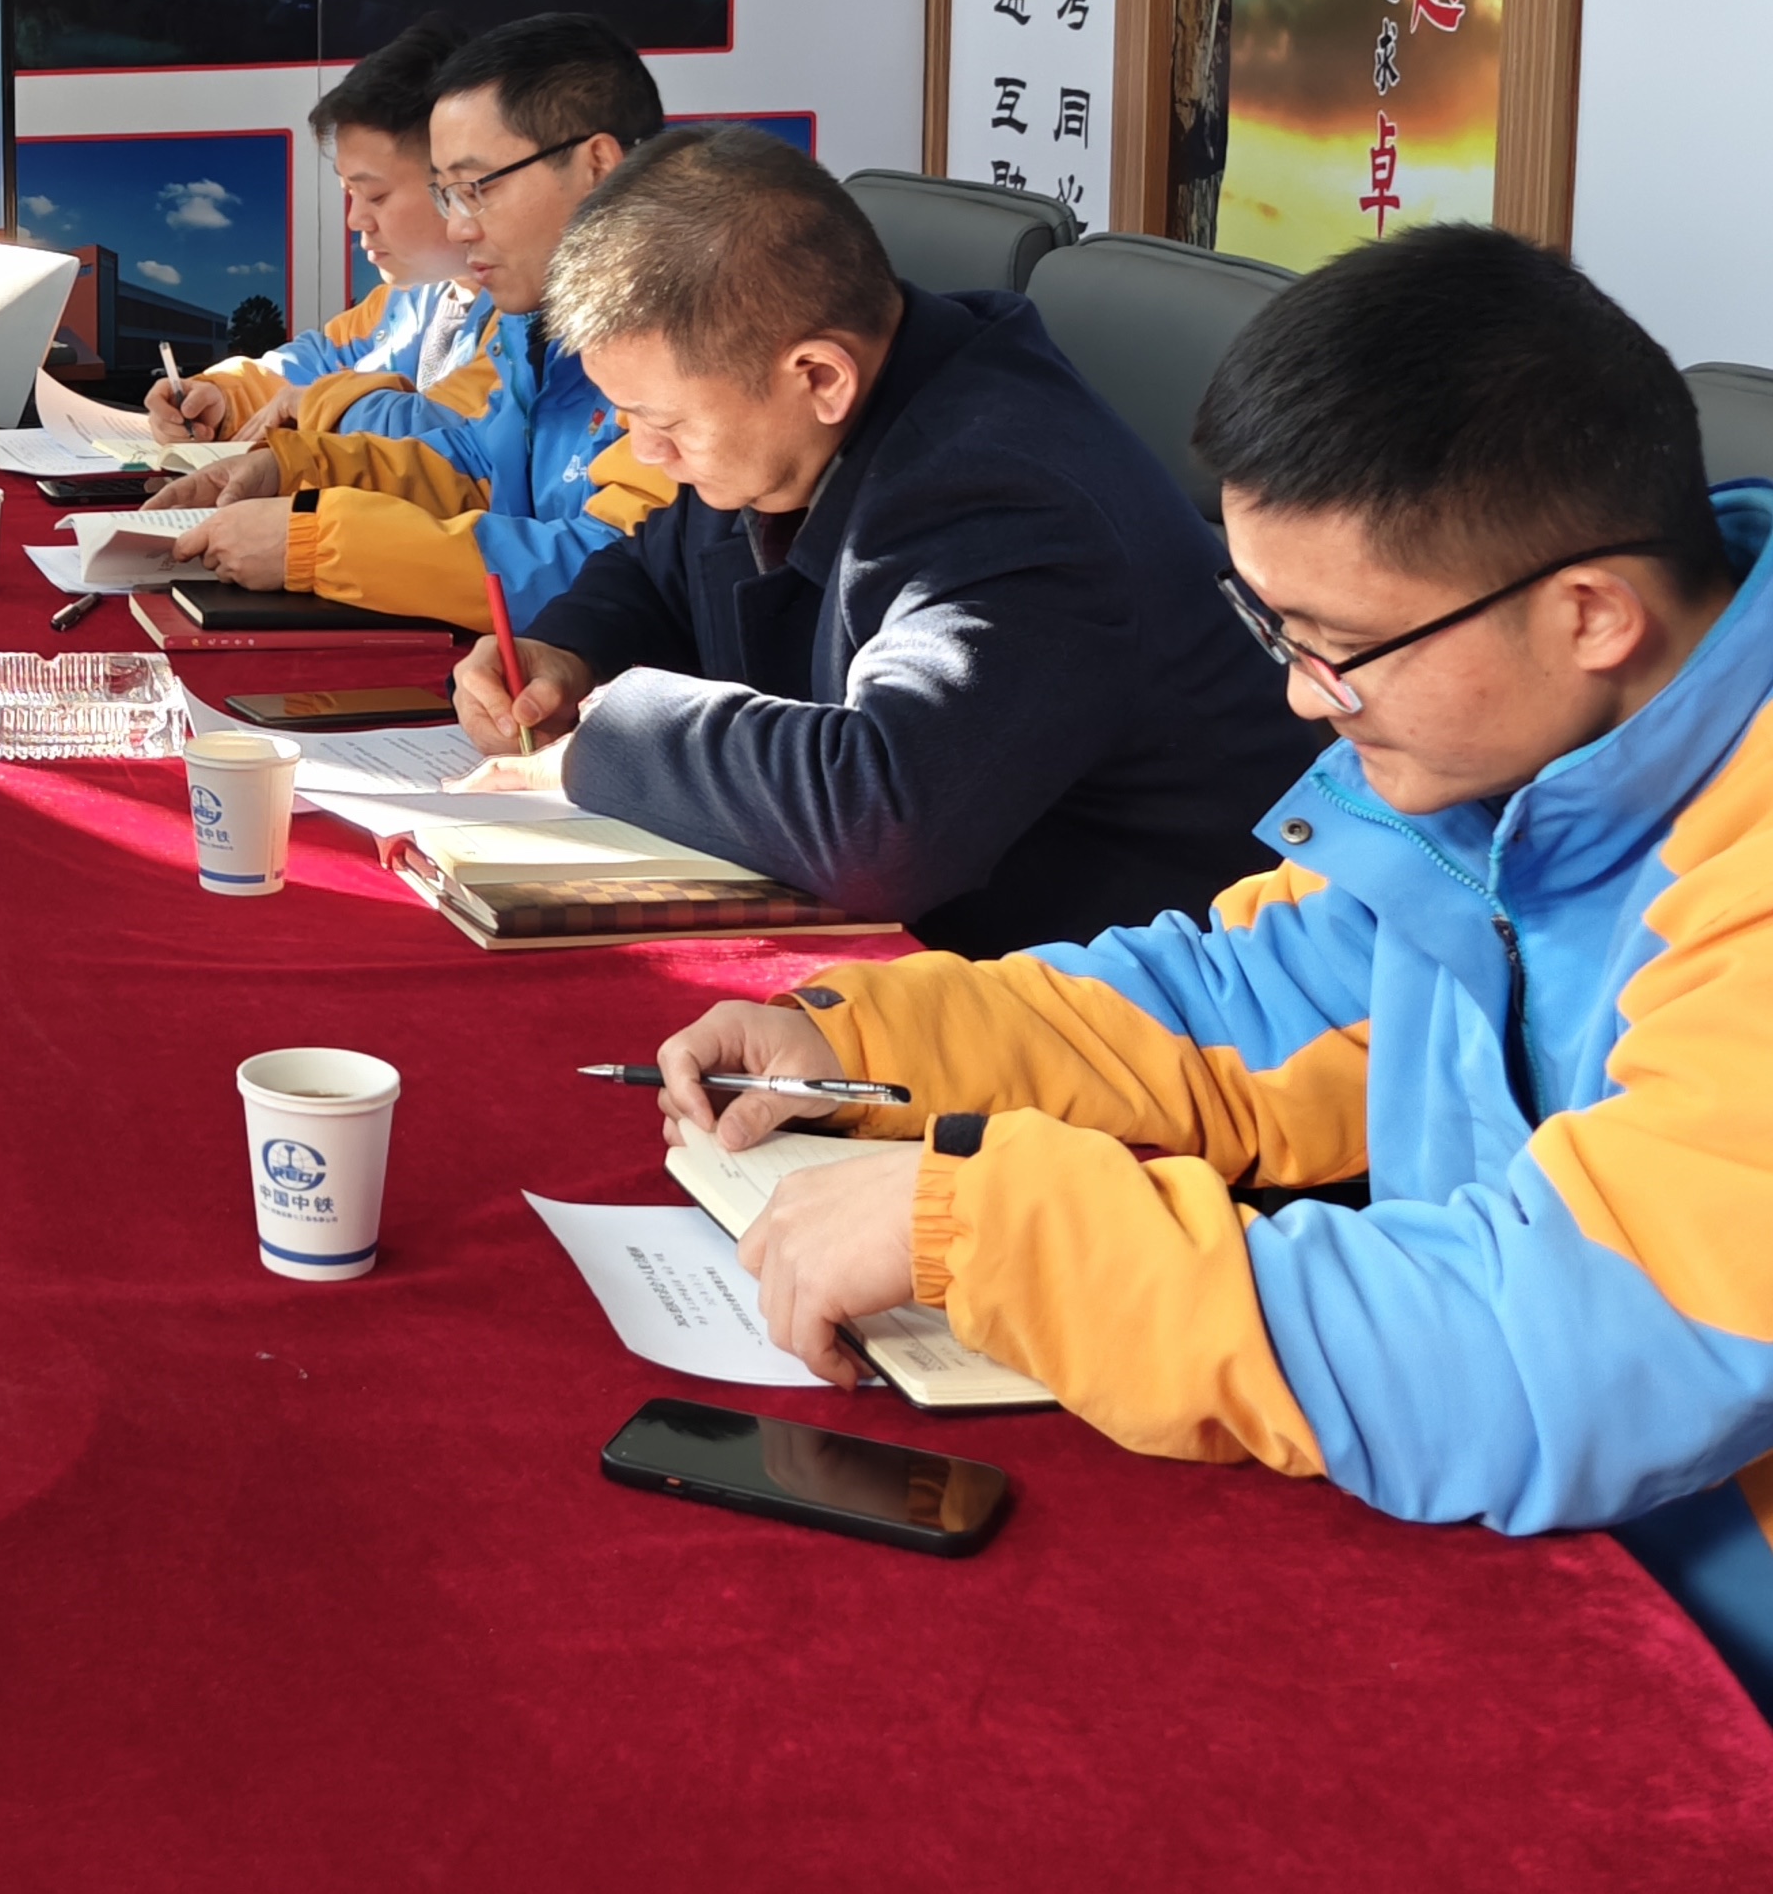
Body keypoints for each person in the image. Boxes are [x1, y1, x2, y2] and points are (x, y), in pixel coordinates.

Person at [656, 227, 1773, 1709]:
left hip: (1704, 1653)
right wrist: (862, 1045)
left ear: (1590, 615)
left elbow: (1555, 1354)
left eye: (1335, 645)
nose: (1305, 700)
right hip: (1526, 1542)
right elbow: (1251, 1002)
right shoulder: (1506, 742)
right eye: (1274, 628)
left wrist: (993, 1230)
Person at [452, 127, 1300, 953]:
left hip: (1118, 989)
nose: (646, 453)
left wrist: (611, 740)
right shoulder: (790, 418)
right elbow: (661, 569)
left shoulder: (1010, 496)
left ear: (821, 376)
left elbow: (880, 821)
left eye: (665, 422)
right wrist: (567, 652)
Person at [151, 12, 675, 627]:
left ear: (598, 166)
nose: (458, 228)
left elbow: (623, 571)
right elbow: (476, 468)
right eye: (447, 195)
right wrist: (296, 468)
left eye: (476, 188)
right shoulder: (533, 326)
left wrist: (320, 541)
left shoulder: (689, 332)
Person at [148, 23, 477, 446]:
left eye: (375, 195)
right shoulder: (401, 303)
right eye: (349, 193)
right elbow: (311, 362)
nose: (355, 220)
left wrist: (312, 407)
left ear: (459, 175)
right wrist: (221, 397)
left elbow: (463, 443)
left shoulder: (528, 317)